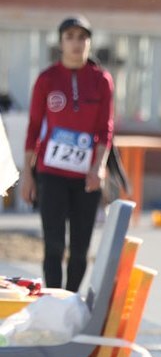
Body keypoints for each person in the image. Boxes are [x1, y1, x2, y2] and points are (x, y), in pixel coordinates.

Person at [20, 15, 113, 292]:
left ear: (90, 43)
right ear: (60, 43)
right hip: (51, 175)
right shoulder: (47, 79)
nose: (76, 43)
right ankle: (53, 299)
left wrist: (99, 167)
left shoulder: (101, 80)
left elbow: (105, 129)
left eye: (82, 37)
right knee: (54, 244)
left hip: (87, 177)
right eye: (70, 37)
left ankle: (70, 299)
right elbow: (33, 128)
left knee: (80, 247)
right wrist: (27, 175)